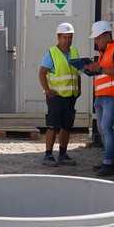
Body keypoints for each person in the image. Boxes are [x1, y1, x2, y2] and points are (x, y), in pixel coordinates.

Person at [84, 20, 114, 176]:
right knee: (103, 129)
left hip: (113, 95)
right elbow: (103, 72)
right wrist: (91, 69)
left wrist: (100, 68)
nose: (96, 42)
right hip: (101, 96)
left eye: (97, 38)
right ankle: (111, 162)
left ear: (106, 35)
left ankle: (108, 164)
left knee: (106, 128)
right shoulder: (103, 54)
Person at [38, 22, 81, 166]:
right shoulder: (52, 53)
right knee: (53, 126)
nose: (68, 40)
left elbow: (77, 73)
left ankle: (63, 154)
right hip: (56, 96)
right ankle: (48, 155)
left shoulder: (74, 52)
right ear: (58, 37)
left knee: (66, 126)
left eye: (70, 37)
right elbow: (42, 72)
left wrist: (78, 89)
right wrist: (47, 90)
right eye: (65, 37)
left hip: (71, 96)